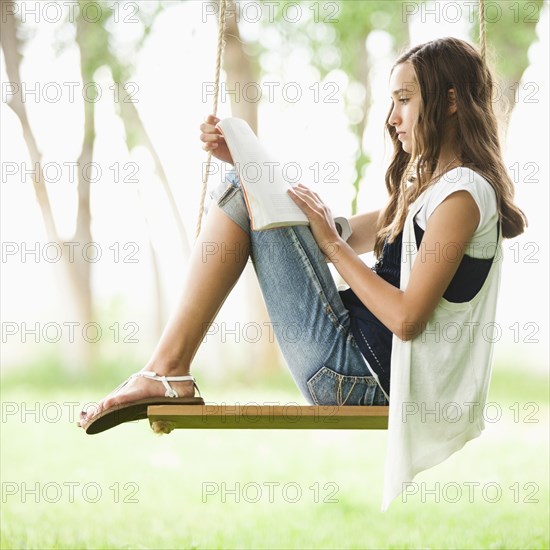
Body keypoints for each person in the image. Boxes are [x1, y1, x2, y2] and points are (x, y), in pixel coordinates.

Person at [79, 36, 527, 434]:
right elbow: (337, 234)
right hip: (355, 365)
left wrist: (324, 239)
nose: (392, 118)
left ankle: (167, 371)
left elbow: (406, 319)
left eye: (404, 100)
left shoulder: (462, 195)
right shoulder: (434, 187)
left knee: (240, 190)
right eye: (391, 103)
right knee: (242, 187)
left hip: (358, 375)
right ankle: (167, 369)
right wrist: (248, 165)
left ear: (451, 101)